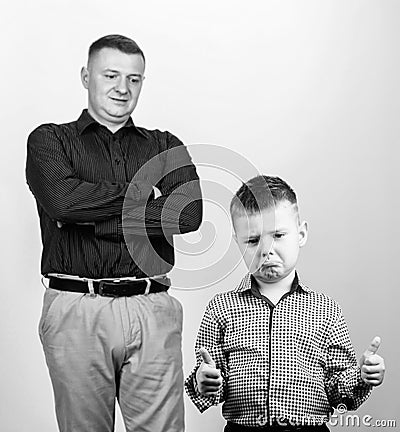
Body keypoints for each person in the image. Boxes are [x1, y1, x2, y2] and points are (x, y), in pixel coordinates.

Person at [26, 34, 202, 432]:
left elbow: (188, 214)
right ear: (87, 76)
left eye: (134, 79)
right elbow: (63, 203)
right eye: (111, 75)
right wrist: (146, 198)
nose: (123, 88)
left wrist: (94, 215)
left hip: (152, 306)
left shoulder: (164, 145)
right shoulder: (50, 140)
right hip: (77, 308)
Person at [185, 175, 385, 431]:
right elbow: (212, 379)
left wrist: (362, 376)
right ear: (238, 243)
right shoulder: (221, 308)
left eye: (278, 235)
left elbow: (337, 390)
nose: (266, 250)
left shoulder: (326, 310)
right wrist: (205, 382)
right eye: (253, 240)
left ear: (300, 234)